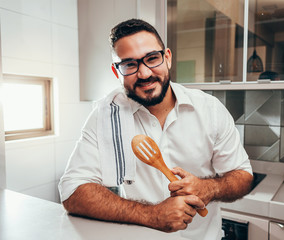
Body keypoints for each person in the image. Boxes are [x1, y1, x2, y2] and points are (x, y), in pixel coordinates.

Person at [59, 18, 253, 240]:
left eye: (152, 58)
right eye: (130, 64)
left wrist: (208, 188)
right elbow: (72, 191)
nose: (144, 73)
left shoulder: (210, 110)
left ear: (167, 58)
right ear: (117, 72)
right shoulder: (105, 116)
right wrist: (153, 215)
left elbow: (243, 176)